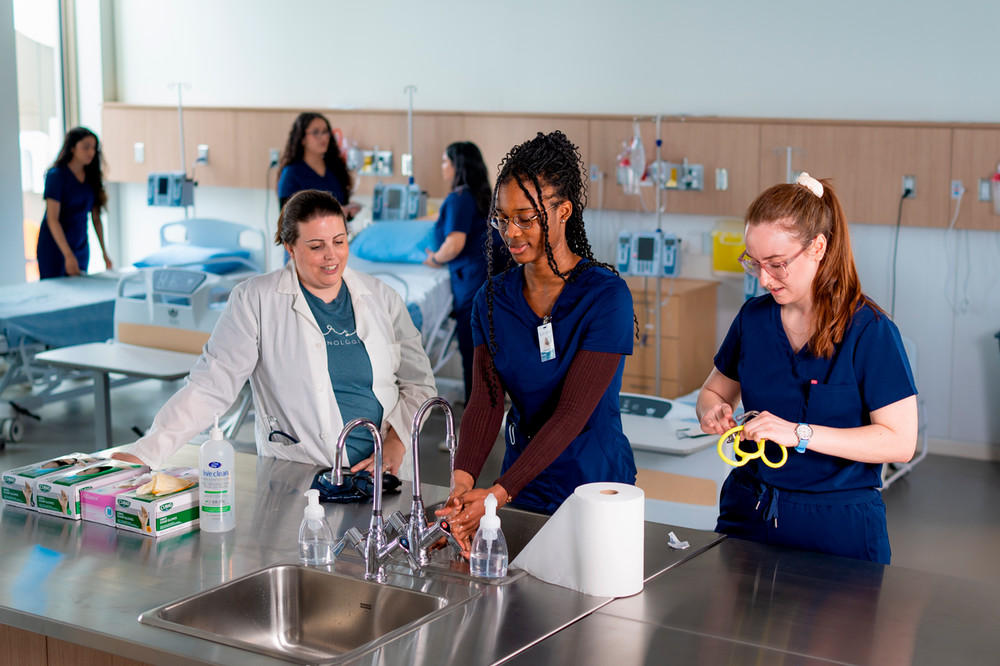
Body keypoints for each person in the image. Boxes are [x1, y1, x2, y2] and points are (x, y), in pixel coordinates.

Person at [113, 190, 436, 476]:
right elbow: (212, 385)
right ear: (290, 248)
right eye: (316, 246)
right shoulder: (255, 299)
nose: (331, 256)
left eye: (339, 242)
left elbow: (418, 382)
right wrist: (146, 452)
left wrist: (397, 443)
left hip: (384, 472)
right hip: (301, 472)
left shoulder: (382, 297)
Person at [696, 173, 918, 564]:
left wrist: (799, 433)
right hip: (750, 512)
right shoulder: (753, 319)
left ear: (818, 247)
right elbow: (714, 391)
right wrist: (711, 409)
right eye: (754, 263)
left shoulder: (870, 332)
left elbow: (900, 442)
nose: (764, 278)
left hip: (837, 528)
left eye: (778, 264)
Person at [435, 131, 637, 554]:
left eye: (525, 217)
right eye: (502, 218)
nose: (511, 232)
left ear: (563, 211)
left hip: (593, 487)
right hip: (521, 484)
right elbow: (486, 402)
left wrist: (495, 494)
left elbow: (571, 414)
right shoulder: (492, 300)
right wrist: (462, 483)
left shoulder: (604, 297)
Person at [422, 141, 494, 402]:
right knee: (488, 355)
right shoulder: (483, 196)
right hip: (494, 283)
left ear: (457, 166)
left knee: (473, 357)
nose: (442, 167)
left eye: (445, 161)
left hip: (472, 287)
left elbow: (454, 243)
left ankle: (470, 431)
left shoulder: (459, 198)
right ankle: (491, 412)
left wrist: (435, 259)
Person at [36, 127, 112, 279]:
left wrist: (105, 253)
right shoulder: (56, 176)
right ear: (72, 148)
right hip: (55, 247)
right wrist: (68, 255)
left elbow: (96, 219)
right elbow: (52, 219)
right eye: (85, 147)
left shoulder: (91, 178)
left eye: (93, 148)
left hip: (80, 246)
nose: (90, 152)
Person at [277, 112, 360, 219]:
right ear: (302, 138)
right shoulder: (291, 173)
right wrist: (328, 214)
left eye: (325, 132)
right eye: (316, 132)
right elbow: (287, 219)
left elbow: (341, 207)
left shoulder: (336, 168)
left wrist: (349, 211)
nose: (323, 137)